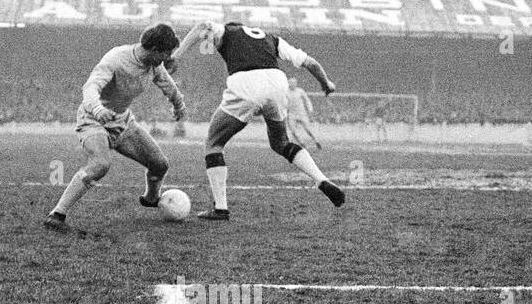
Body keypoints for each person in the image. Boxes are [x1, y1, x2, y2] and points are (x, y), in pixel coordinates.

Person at [168, 21, 342, 220]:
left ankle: (221, 208)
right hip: (277, 83)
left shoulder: (228, 30)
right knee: (282, 143)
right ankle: (321, 179)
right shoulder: (271, 39)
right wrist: (326, 83)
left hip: (246, 83)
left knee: (213, 143)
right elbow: (310, 63)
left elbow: (203, 26)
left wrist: (176, 57)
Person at [43, 23, 186, 233]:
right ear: (154, 49)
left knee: (160, 164)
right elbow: (91, 86)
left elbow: (167, 84)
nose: (168, 58)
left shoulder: (154, 66)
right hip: (93, 119)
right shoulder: (116, 58)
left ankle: (151, 198)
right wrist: (98, 109)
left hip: (123, 122)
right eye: (165, 53)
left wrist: (179, 105)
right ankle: (57, 215)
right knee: (100, 164)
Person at [285, 76, 321, 149]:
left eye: (294, 82)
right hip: (292, 114)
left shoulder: (300, 91)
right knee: (293, 131)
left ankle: (316, 140)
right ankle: (303, 144)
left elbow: (307, 100)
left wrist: (310, 109)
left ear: (296, 83)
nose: (292, 84)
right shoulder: (286, 92)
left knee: (308, 129)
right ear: (288, 83)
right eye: (291, 82)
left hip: (302, 113)